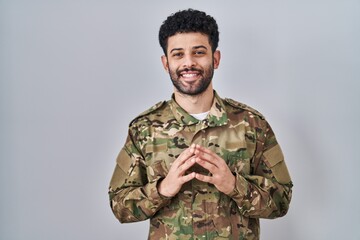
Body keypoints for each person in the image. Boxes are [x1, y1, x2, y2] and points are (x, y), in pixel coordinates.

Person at [108, 9, 293, 240]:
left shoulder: (251, 124)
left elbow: (282, 200)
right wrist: (162, 189)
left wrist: (234, 185)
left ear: (215, 58)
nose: (189, 63)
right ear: (166, 63)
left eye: (199, 52)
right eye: (178, 54)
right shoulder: (144, 129)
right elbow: (119, 205)